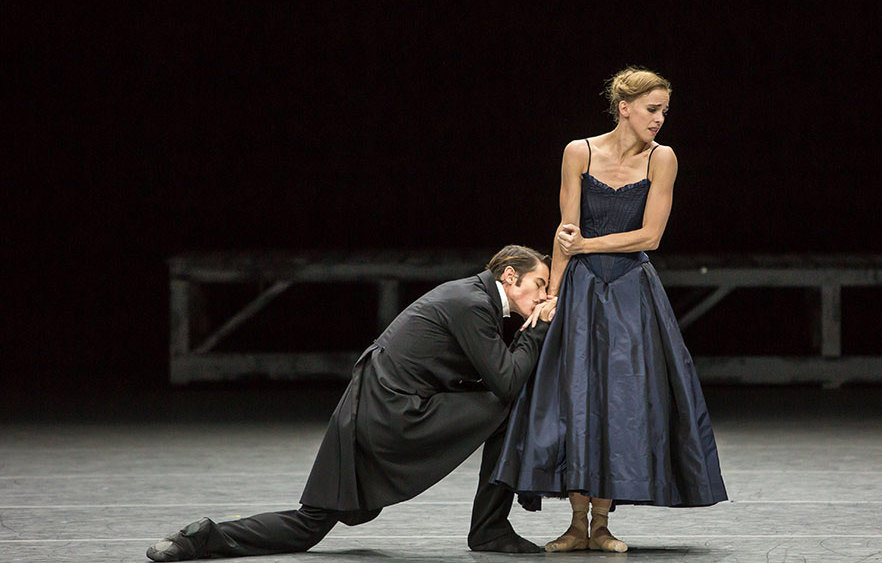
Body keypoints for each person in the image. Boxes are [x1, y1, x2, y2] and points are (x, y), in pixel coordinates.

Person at [146, 245, 558, 561]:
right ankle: (489, 529)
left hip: (366, 412)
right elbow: (506, 382)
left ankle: (199, 539)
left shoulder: (469, 298)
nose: (542, 298)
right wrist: (536, 330)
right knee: (508, 407)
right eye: (540, 285)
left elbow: (479, 375)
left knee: (310, 524)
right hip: (392, 414)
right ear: (509, 275)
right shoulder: (472, 304)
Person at [491, 67, 728, 553]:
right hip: (580, 289)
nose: (660, 119)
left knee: (621, 401)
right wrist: (552, 292)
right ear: (624, 107)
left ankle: (602, 523)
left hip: (629, 292)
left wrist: (586, 245)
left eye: (664, 110)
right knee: (575, 397)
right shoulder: (578, 151)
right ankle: (578, 524)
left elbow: (651, 236)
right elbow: (565, 231)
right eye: (652, 109)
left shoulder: (663, 159)